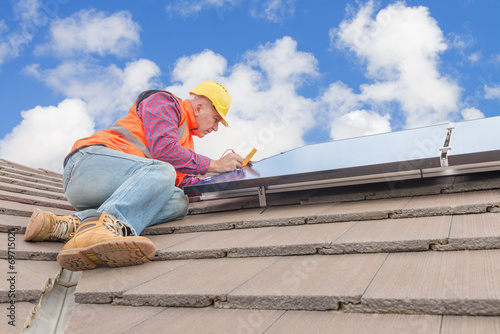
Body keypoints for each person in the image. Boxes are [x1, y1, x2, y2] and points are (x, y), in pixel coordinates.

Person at [23, 81, 243, 271]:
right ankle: (105, 228)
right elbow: (164, 150)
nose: (216, 128)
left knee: (178, 201)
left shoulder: (186, 143)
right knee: (163, 170)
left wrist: (229, 178)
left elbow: (182, 183)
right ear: (198, 108)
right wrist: (214, 165)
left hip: (112, 189)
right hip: (86, 166)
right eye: (215, 119)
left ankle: (68, 225)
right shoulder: (165, 102)